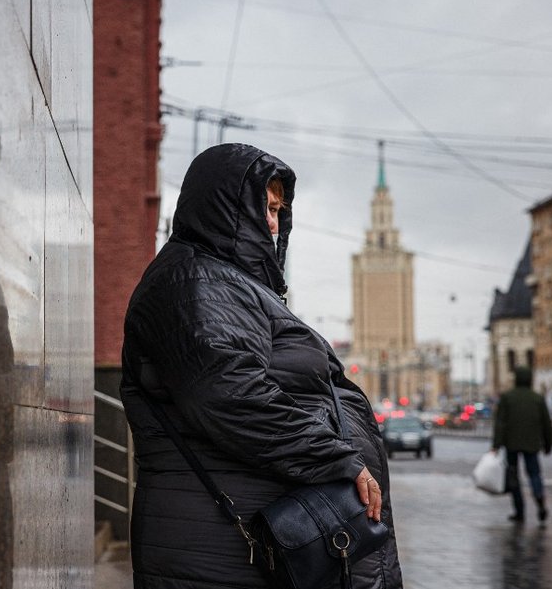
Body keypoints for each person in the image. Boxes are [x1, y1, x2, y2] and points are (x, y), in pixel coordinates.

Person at [120, 143, 403, 588]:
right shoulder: (196, 282)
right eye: (263, 207)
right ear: (225, 207)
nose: (272, 222)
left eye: (278, 210)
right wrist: (338, 460)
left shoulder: (228, 284)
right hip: (226, 548)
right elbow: (233, 396)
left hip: (247, 544)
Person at [492, 366, 552, 523]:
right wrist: (548, 444)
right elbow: (547, 424)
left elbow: (500, 423)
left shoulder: (507, 397)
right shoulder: (537, 398)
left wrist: (496, 444)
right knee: (534, 474)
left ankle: (519, 511)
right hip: (532, 444)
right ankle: (539, 500)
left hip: (511, 444)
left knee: (513, 477)